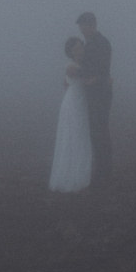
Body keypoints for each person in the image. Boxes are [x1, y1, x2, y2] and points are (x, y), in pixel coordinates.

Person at [48, 37, 93, 193]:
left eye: (80, 47)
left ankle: (81, 174)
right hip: (73, 103)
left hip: (79, 101)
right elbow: (85, 79)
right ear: (71, 52)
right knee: (73, 135)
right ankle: (73, 177)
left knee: (81, 135)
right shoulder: (71, 66)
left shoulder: (81, 65)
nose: (79, 50)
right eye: (76, 48)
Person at [74, 12, 113, 187]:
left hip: (101, 92)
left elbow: (103, 67)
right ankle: (101, 167)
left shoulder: (102, 43)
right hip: (92, 92)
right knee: (95, 130)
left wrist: (95, 78)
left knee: (100, 130)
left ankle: (105, 169)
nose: (82, 29)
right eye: (81, 26)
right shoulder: (88, 44)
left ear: (93, 25)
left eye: (84, 26)